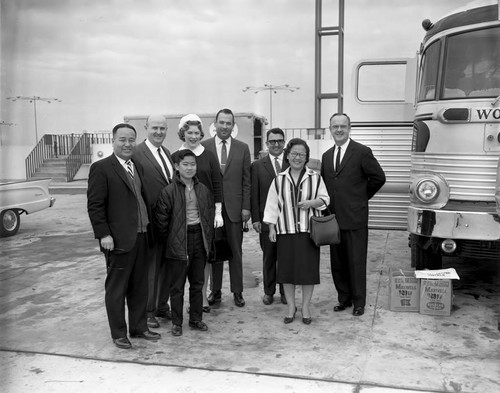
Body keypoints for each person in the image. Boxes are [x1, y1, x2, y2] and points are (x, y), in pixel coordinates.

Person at [87, 123, 161, 349]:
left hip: (141, 236)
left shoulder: (136, 165)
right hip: (118, 240)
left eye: (131, 140)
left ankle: (138, 327)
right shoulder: (102, 168)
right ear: (113, 141)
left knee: (140, 287)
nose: (127, 144)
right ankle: (118, 333)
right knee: (117, 289)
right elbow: (95, 205)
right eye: (122, 140)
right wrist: (103, 235)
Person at [321, 113, 386, 317]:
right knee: (338, 263)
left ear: (349, 128)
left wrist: (361, 197)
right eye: (335, 126)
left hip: (355, 218)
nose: (339, 130)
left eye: (343, 126)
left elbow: (379, 177)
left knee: (356, 262)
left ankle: (359, 302)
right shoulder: (327, 156)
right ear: (330, 129)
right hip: (334, 219)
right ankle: (344, 298)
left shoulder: (362, 152)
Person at [263, 138, 329, 324]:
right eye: (294, 154)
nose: (297, 158)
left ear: (307, 156)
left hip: (309, 233)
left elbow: (325, 200)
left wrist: (311, 203)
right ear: (288, 155)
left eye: (301, 154)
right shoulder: (279, 179)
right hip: (286, 231)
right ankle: (291, 307)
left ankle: (306, 307)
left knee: (308, 272)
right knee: (287, 272)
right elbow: (272, 206)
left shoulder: (315, 178)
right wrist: (271, 227)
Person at [154, 149, 215, 336]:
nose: (189, 168)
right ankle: (177, 322)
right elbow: (161, 222)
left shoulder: (203, 190)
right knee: (177, 286)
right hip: (178, 240)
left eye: (193, 164)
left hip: (199, 238)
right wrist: (170, 242)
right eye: (185, 164)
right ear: (176, 166)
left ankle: (196, 319)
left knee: (197, 282)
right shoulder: (169, 191)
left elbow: (208, 217)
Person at [171, 114, 224, 313]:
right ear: (182, 133)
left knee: (204, 257)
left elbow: (217, 185)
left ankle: (202, 297)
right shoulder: (176, 155)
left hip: (207, 214)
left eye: (196, 133)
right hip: (184, 215)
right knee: (185, 259)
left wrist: (218, 212)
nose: (193, 136)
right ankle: (186, 298)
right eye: (189, 132)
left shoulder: (209, 155)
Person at [201, 108, 251, 307]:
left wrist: (246, 207)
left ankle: (237, 292)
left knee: (236, 252)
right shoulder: (204, 147)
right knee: (215, 252)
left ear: (233, 126)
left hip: (235, 209)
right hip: (212, 210)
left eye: (228, 123)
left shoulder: (243, 148)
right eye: (221, 122)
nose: (224, 126)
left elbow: (246, 181)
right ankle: (216, 291)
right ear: (215, 124)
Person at [133, 114, 175, 329]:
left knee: (167, 266)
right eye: (155, 128)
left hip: (168, 221)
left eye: (162, 128)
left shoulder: (166, 152)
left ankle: (161, 305)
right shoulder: (137, 153)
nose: (159, 132)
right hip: (150, 221)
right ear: (146, 127)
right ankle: (148, 311)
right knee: (151, 268)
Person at [251, 128, 289, 305]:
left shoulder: (292, 163)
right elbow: (254, 194)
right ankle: (269, 291)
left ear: (284, 143)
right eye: (272, 141)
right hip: (267, 221)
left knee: (286, 257)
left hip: (288, 221)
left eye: (279, 141)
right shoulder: (258, 166)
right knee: (269, 258)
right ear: (267, 144)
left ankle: (284, 292)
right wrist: (256, 219)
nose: (276, 144)